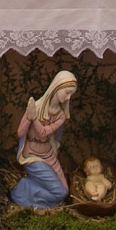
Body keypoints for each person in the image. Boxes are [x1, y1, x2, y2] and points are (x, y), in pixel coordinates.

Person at [10, 70, 77, 208]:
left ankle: (30, 189)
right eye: (67, 92)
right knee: (59, 193)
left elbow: (43, 134)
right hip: (32, 155)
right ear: (57, 87)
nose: (68, 98)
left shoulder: (60, 115)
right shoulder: (36, 107)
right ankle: (23, 189)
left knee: (64, 192)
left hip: (48, 154)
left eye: (71, 94)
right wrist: (29, 118)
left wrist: (34, 118)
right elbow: (20, 132)